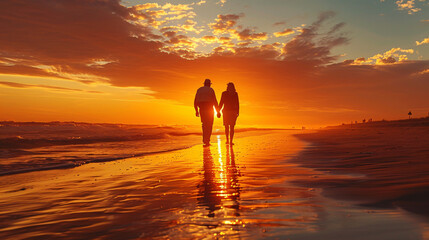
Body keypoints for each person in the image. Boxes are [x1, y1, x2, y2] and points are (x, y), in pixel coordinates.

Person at [194, 79, 219, 146]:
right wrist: (218, 111)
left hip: (201, 109)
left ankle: (205, 140)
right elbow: (214, 101)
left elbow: (195, 101)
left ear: (204, 83)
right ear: (209, 84)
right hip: (209, 108)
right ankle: (207, 140)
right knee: (209, 125)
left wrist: (196, 111)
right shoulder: (211, 90)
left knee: (204, 124)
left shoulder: (199, 90)